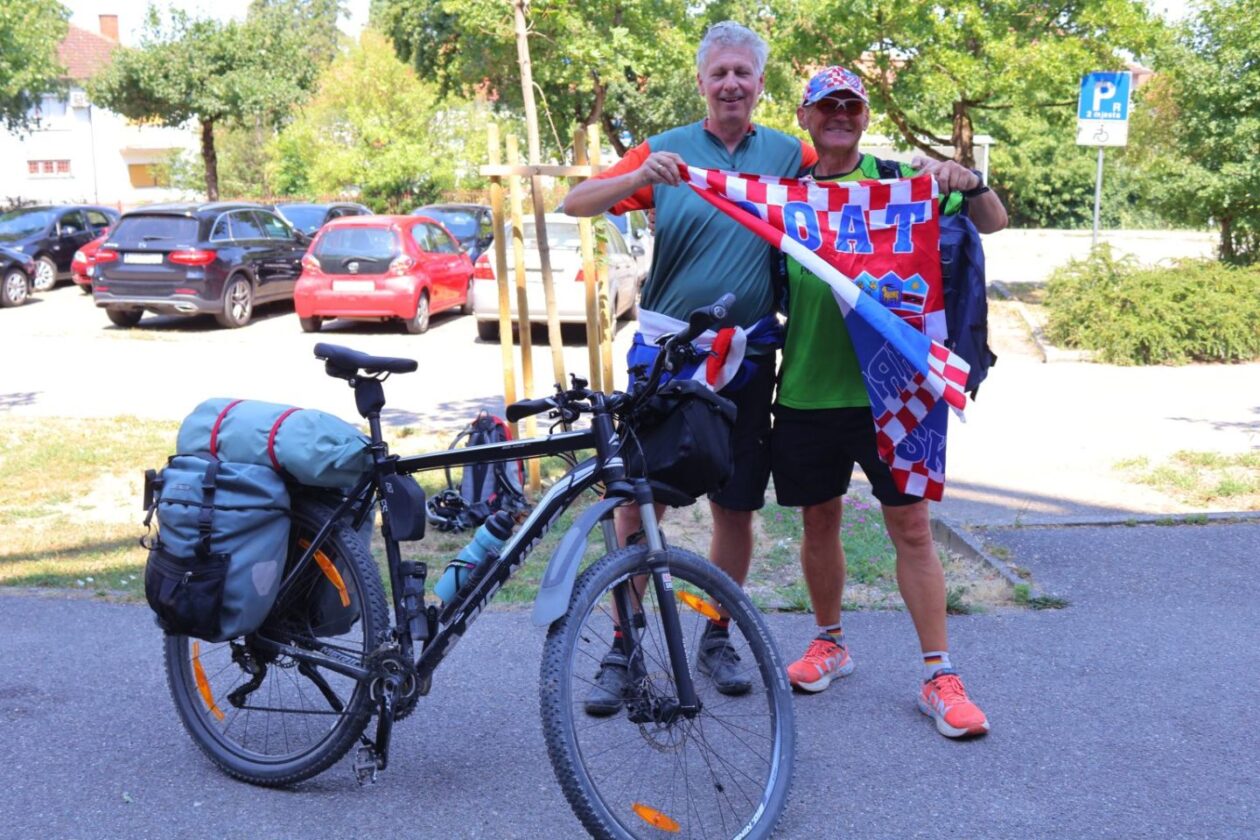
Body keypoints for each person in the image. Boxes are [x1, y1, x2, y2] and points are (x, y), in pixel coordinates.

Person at [562, 21, 816, 714]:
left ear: (761, 84)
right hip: (667, 357)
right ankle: (624, 641)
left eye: (743, 72)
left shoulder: (790, 154)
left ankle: (716, 633)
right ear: (702, 82)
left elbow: (853, 191)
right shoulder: (666, 153)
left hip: (747, 357)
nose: (731, 83)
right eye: (719, 73)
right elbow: (573, 202)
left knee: (735, 506)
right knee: (643, 502)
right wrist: (639, 174)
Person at [772, 66, 1007, 739]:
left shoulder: (902, 182)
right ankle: (830, 643)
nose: (840, 115)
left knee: (911, 528)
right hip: (808, 391)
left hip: (894, 390)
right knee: (818, 523)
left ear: (865, 115)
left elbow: (992, 222)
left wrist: (972, 180)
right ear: (806, 117)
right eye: (827, 106)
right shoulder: (783, 194)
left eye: (851, 105)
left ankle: (939, 673)